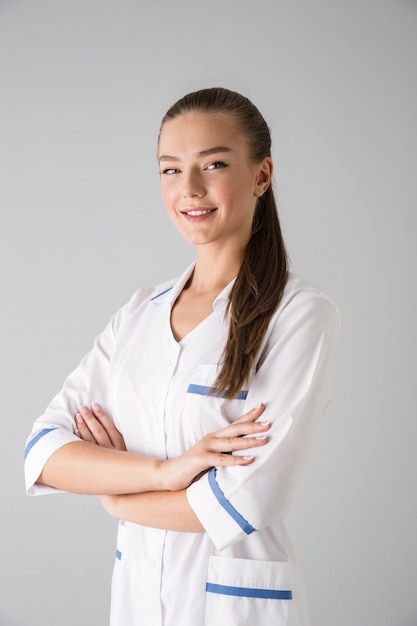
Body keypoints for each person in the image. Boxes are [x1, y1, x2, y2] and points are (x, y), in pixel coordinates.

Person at [24, 87, 340, 626]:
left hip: (235, 608)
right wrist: (166, 472)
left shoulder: (298, 314)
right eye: (170, 170)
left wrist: (115, 495)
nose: (188, 188)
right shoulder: (137, 315)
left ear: (262, 175)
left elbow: (245, 502)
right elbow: (42, 453)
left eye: (213, 163)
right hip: (136, 603)